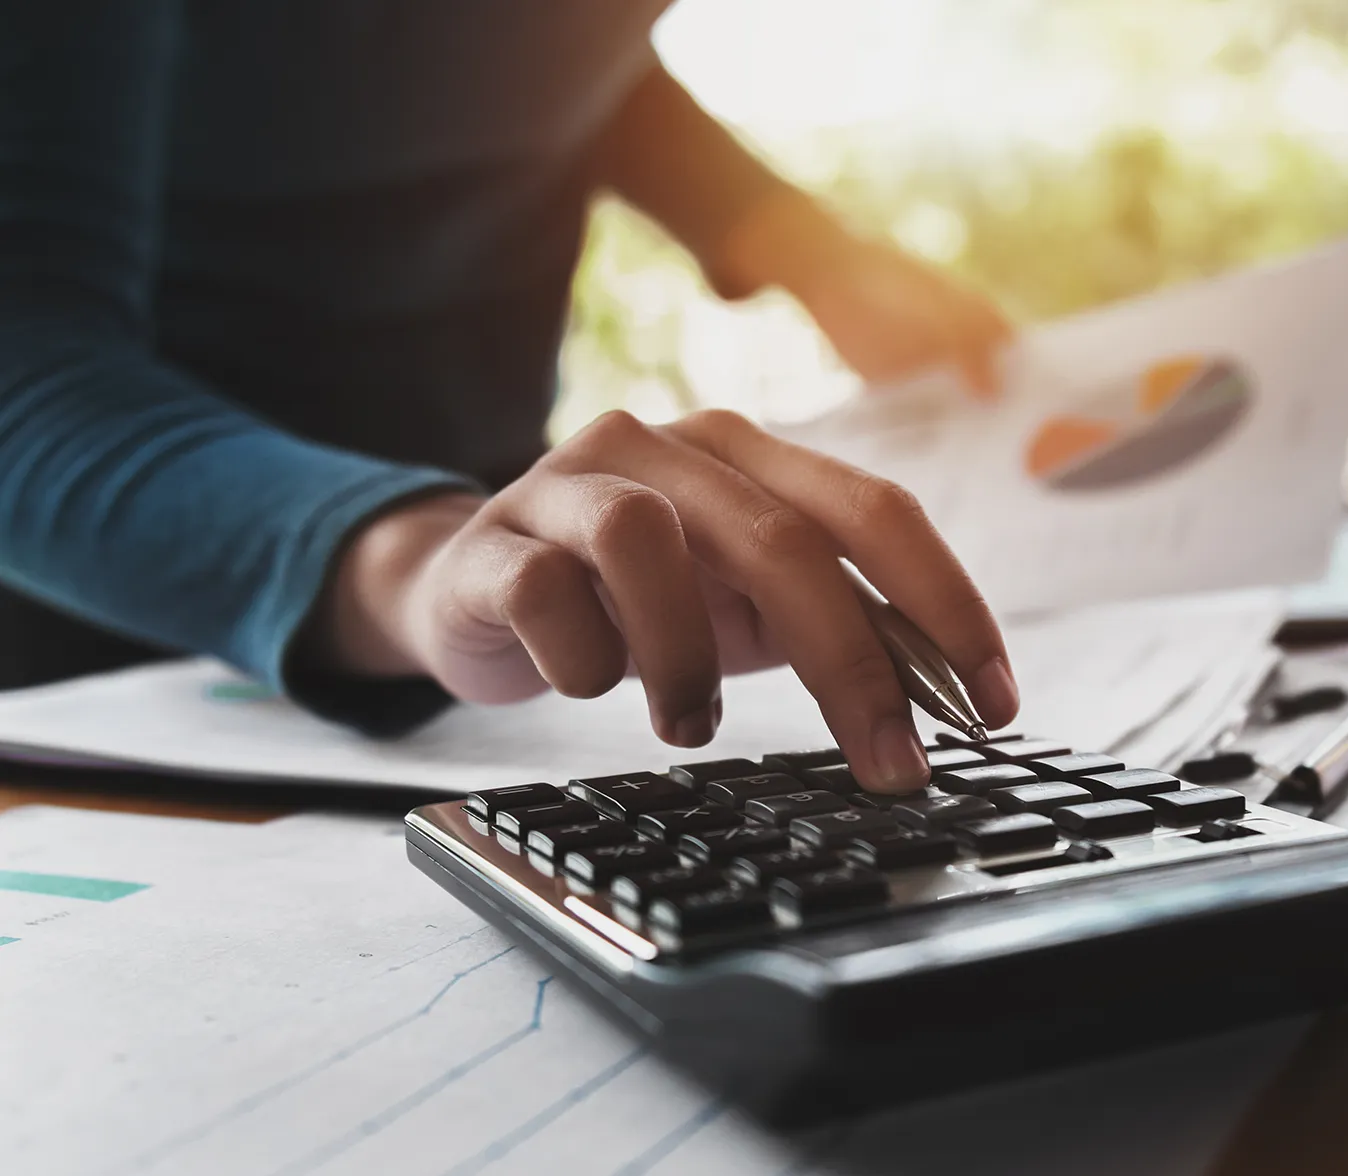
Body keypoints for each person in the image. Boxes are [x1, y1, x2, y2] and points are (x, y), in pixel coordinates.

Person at [0, 3, 1021, 794]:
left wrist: (778, 232)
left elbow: (542, 48)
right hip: (121, 636)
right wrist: (410, 557)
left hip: (497, 622)